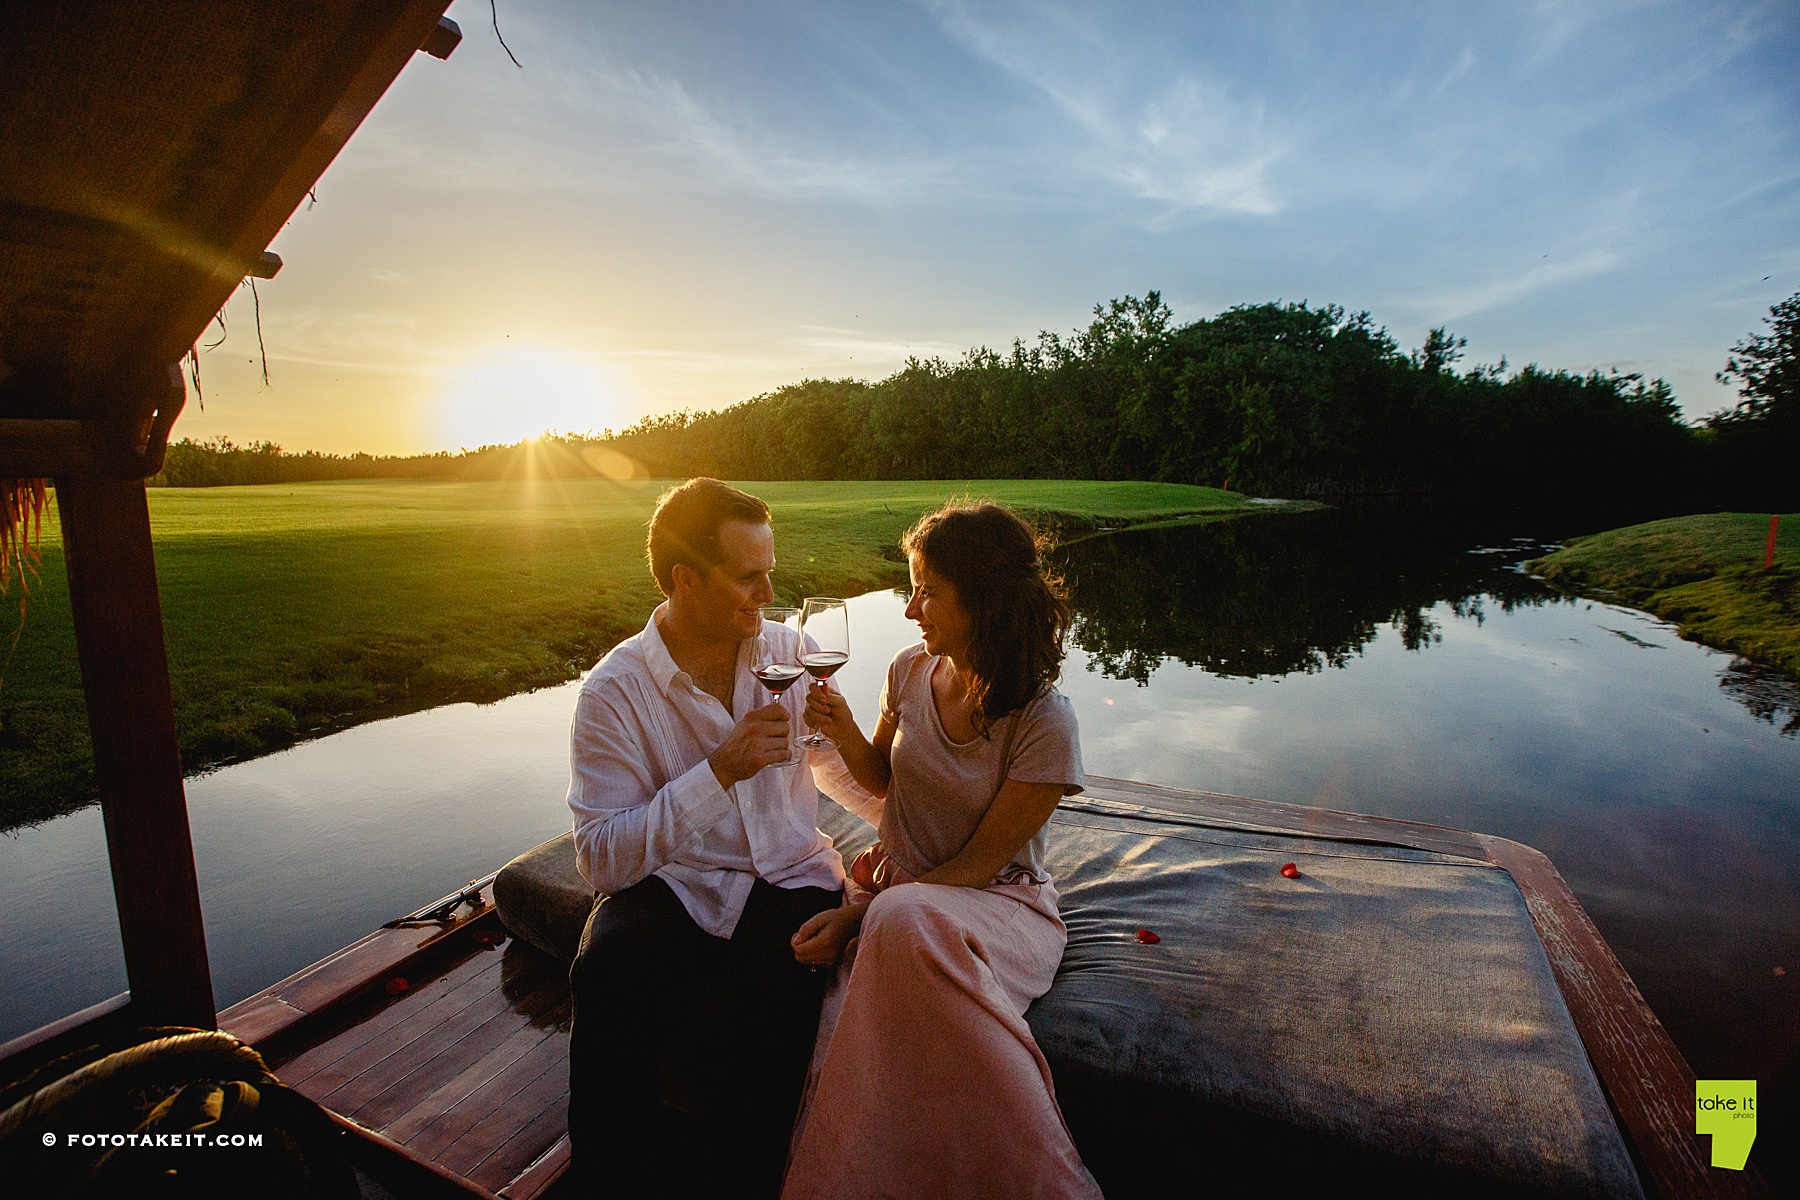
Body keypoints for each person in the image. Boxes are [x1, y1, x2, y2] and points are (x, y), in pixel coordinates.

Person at [782, 502, 1105, 1199]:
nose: (910, 609)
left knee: (899, 928)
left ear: (982, 598)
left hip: (993, 906)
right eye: (911, 587)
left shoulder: (1046, 721)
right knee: (859, 994)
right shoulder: (907, 670)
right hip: (900, 892)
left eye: (927, 590)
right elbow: (882, 781)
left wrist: (860, 919)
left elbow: (977, 866)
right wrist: (840, 734)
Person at [565, 478, 845, 1200]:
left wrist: (924, 853)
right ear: (686, 580)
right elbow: (599, 856)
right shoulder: (613, 693)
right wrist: (718, 770)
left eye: (770, 571)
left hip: (790, 875)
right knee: (606, 966)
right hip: (678, 884)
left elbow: (844, 770)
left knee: (782, 1000)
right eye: (749, 577)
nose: (769, 591)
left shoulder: (790, 651)